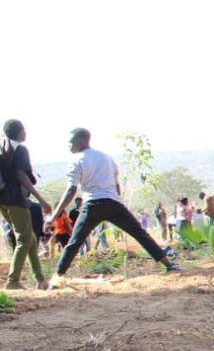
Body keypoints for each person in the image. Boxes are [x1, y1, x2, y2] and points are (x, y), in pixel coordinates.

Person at [45, 128, 179, 283]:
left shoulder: (76, 160)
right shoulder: (107, 158)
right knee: (139, 233)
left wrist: (53, 216)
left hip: (92, 205)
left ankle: (57, 277)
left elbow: (71, 190)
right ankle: (168, 264)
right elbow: (116, 186)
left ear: (80, 141)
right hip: (113, 203)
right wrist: (118, 204)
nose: (69, 146)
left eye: (71, 142)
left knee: (75, 241)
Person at [0, 120, 53, 290]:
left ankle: (40, 279)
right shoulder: (20, 149)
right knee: (24, 239)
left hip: (3, 201)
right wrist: (41, 200)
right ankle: (13, 281)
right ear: (20, 132)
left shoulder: (3, 147)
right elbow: (21, 175)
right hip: (16, 200)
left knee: (30, 238)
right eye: (24, 130)